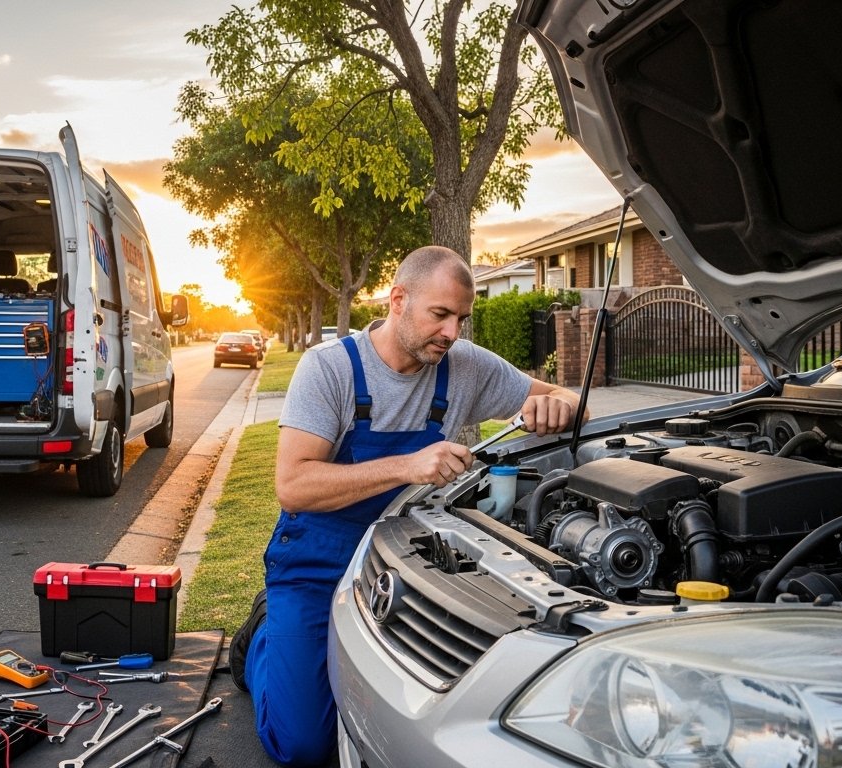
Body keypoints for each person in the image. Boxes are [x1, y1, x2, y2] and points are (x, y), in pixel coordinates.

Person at [229, 245, 583, 766]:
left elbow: (573, 400)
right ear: (398, 299)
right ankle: (263, 637)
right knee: (302, 746)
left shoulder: (464, 367)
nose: (452, 333)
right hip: (315, 563)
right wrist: (405, 466)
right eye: (440, 314)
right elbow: (294, 485)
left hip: (410, 564)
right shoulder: (330, 369)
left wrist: (560, 402)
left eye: (462, 318)